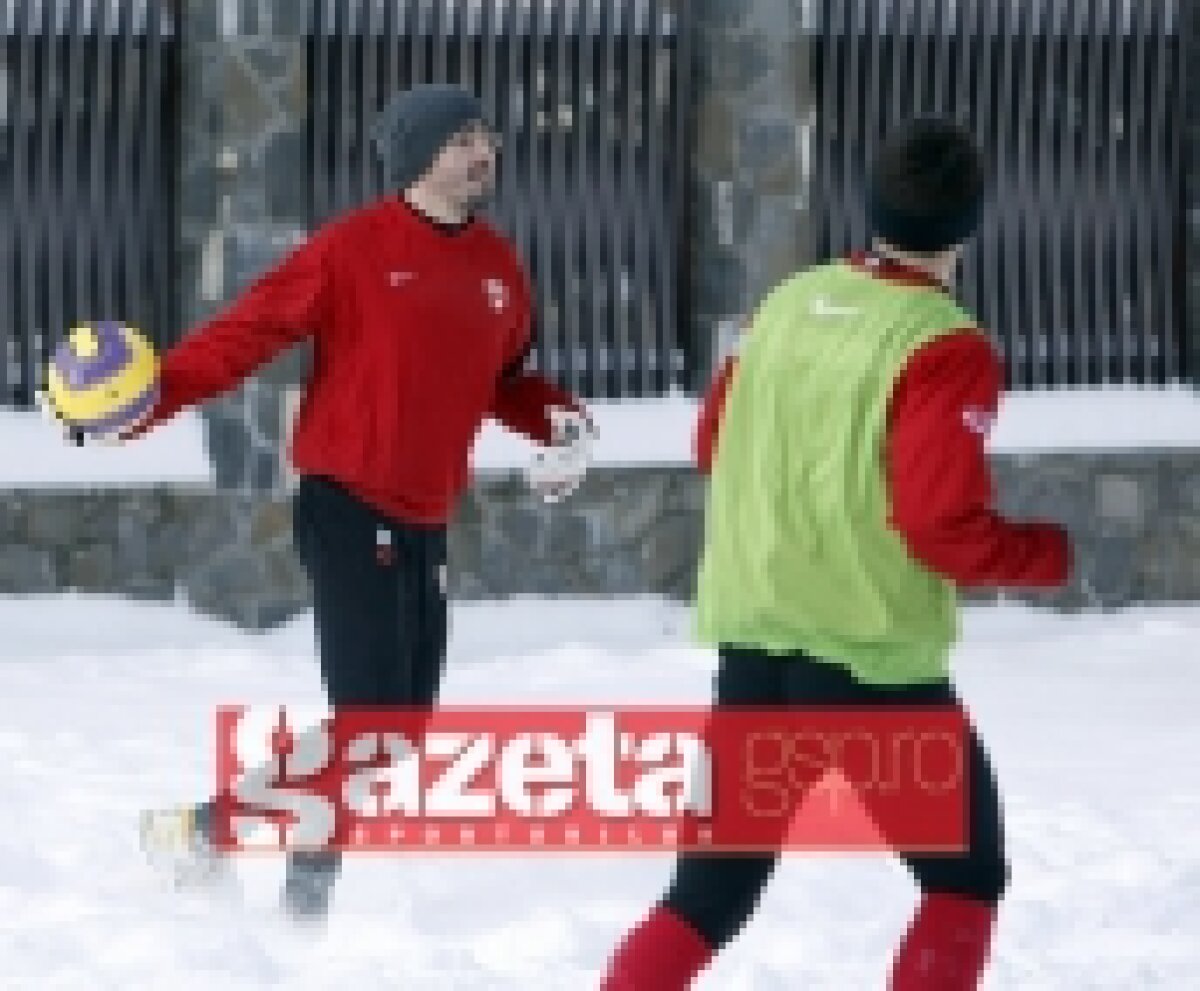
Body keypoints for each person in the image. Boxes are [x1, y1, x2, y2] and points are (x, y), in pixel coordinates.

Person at [601, 117, 1082, 989]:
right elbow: (942, 523)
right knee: (964, 878)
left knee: (706, 897)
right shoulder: (943, 342)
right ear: (972, 219)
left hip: (755, 650)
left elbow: (717, 442)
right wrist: (1043, 554)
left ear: (871, 205)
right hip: (871, 663)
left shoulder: (786, 302)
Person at [130, 84, 592, 920]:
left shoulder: (499, 265)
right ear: (417, 156)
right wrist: (152, 398)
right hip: (348, 501)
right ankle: (257, 869)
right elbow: (249, 332)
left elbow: (509, 382)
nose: (481, 151)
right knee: (371, 722)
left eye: (485, 135)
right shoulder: (352, 249)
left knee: (397, 731)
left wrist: (565, 424)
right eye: (459, 139)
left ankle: (249, 857)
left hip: (426, 516)